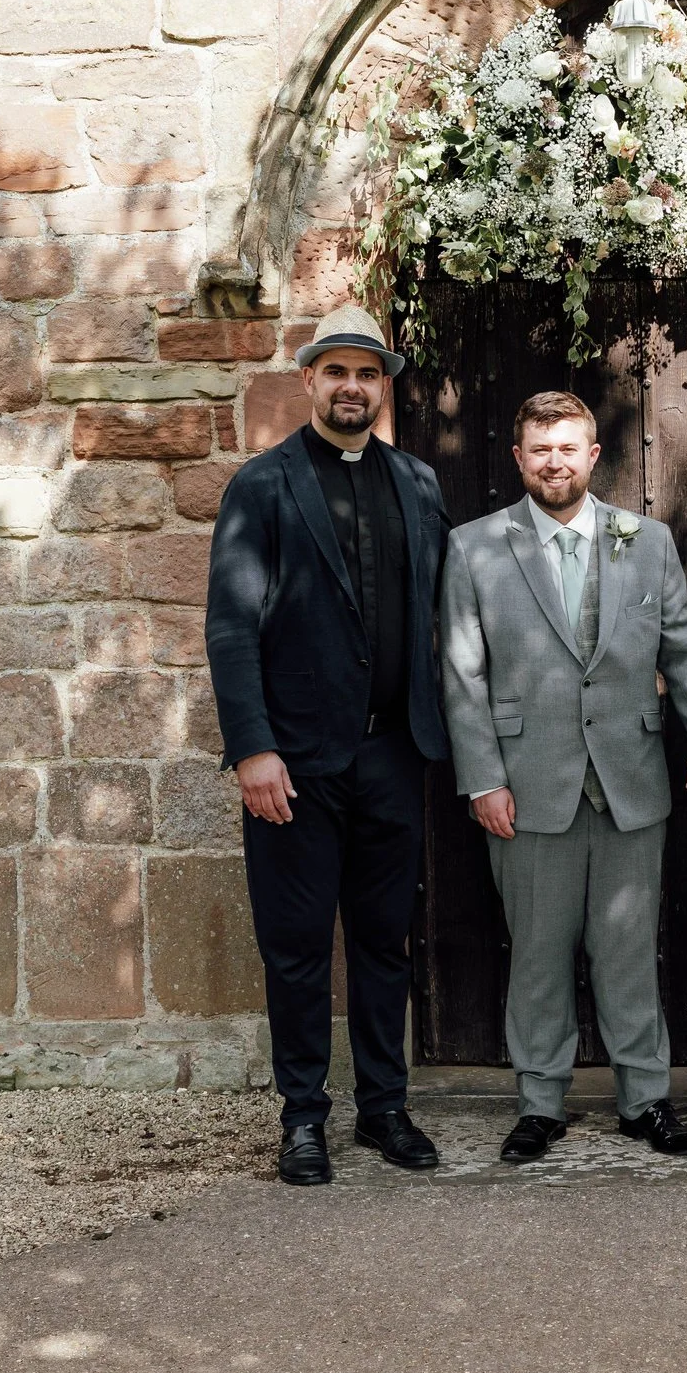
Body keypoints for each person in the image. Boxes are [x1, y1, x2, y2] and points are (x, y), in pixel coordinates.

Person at [437, 390, 687, 1164]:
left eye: (568, 447)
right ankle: (540, 1103)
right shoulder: (475, 546)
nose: (554, 461)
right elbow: (462, 674)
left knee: (630, 948)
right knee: (537, 951)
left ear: (593, 454)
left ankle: (644, 1101)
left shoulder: (649, 542)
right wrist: (482, 779)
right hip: (528, 782)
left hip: (631, 777)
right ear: (518, 457)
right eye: (540, 449)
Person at [203, 306, 448, 1187]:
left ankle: (385, 1107)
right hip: (295, 764)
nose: (353, 386)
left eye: (368, 373)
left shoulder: (418, 483)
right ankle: (303, 1116)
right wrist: (252, 750)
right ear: (308, 380)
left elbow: (436, 616)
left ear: (385, 386)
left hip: (393, 754)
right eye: (337, 371)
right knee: (298, 946)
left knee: (386, 943)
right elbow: (232, 628)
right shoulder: (261, 486)